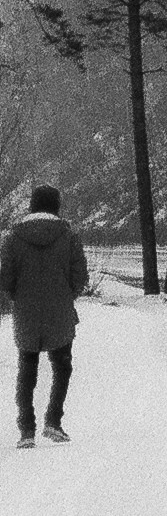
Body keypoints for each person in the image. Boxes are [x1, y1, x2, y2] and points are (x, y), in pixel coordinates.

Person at [1, 184, 90, 448]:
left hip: (26, 312)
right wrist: (66, 296)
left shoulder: (13, 237)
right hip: (59, 311)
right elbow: (80, 275)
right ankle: (53, 421)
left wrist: (19, 297)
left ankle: (26, 430)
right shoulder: (69, 235)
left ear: (32, 205)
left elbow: (5, 278)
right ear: (56, 206)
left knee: (27, 369)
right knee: (62, 366)